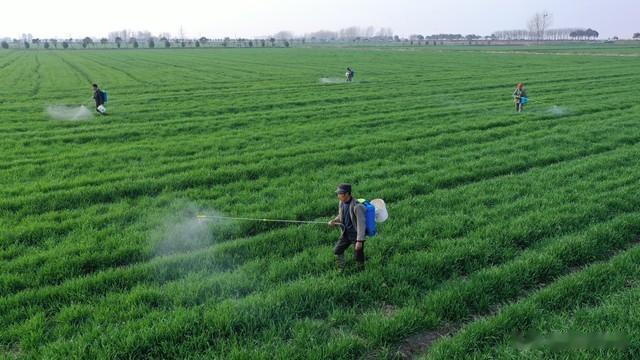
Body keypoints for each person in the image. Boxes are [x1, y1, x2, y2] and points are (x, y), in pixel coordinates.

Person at [328, 183, 366, 272]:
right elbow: (341, 215)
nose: (338, 196)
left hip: (356, 234)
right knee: (337, 250)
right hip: (346, 233)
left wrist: (359, 241)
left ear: (347, 194)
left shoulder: (357, 207)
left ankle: (360, 270)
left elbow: (361, 224)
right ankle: (341, 269)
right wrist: (334, 221)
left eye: (339, 194)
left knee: (358, 253)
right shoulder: (342, 203)